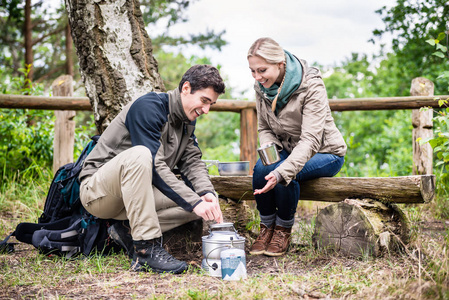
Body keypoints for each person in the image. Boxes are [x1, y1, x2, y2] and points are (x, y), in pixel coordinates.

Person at [79, 65, 225, 274]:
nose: (206, 110)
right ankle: (146, 251)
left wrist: (206, 194)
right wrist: (193, 201)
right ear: (186, 88)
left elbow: (192, 160)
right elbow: (155, 166)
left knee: (203, 209)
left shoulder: (186, 122)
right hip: (98, 193)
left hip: (135, 195)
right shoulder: (149, 107)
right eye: (204, 101)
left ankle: (126, 231)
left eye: (211, 104)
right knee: (141, 155)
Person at [247, 38, 347, 257]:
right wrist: (269, 146)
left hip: (324, 152)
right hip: (288, 149)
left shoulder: (311, 84)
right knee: (262, 170)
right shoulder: (261, 87)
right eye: (253, 71)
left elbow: (311, 140)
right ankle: (267, 227)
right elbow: (264, 126)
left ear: (280, 63)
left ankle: (283, 228)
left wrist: (281, 169)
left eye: (262, 70)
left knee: (284, 174)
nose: (257, 77)